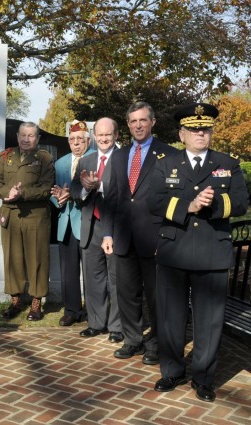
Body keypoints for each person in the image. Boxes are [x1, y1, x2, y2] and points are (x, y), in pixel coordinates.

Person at [148, 103, 248, 402]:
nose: (201, 133)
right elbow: (154, 201)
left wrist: (214, 205)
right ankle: (172, 371)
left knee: (209, 321)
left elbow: (241, 203)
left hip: (212, 252)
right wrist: (188, 206)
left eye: (205, 129)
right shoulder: (165, 162)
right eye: (194, 129)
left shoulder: (227, 163)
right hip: (174, 251)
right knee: (170, 317)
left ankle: (203, 378)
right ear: (182, 134)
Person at [101, 101, 176, 365]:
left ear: (152, 122)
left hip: (155, 239)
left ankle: (156, 344)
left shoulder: (168, 155)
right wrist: (107, 233)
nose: (138, 125)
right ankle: (133, 339)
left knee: (156, 296)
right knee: (127, 293)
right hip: (123, 237)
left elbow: (173, 199)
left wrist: (167, 235)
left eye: (143, 120)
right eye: (133, 121)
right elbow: (111, 197)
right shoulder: (119, 156)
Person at [0, 122, 54, 321]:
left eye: (31, 135)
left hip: (35, 216)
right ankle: (15, 300)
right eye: (23, 135)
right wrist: (6, 193)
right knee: (12, 259)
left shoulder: (44, 159)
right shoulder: (6, 157)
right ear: (17, 136)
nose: (26, 139)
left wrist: (22, 194)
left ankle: (36, 302)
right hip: (11, 215)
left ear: (38, 138)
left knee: (37, 259)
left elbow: (47, 187)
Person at [71, 117, 122, 342]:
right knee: (93, 278)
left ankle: (118, 327)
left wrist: (99, 185)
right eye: (100, 135)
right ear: (93, 137)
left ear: (116, 135)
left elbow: (127, 192)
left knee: (117, 279)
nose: (103, 139)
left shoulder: (125, 159)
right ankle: (95, 323)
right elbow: (74, 189)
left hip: (117, 227)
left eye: (108, 135)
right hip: (90, 226)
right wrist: (83, 189)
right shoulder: (86, 161)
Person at [51, 120, 93, 327]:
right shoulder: (60, 163)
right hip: (65, 222)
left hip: (88, 222)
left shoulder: (95, 159)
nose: (76, 143)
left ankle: (93, 311)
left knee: (91, 271)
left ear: (88, 140)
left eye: (80, 140)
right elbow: (54, 190)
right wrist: (57, 198)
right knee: (68, 272)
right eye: (72, 140)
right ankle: (71, 310)